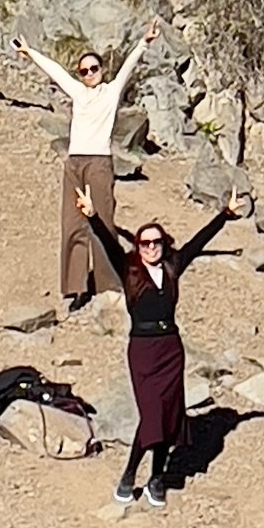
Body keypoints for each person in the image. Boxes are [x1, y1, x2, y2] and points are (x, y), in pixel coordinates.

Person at [78, 190, 227, 507]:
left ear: (164, 243)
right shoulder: (129, 270)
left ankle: (157, 478)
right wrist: (92, 215)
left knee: (171, 418)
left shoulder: (173, 268)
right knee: (151, 417)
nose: (151, 248)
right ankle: (129, 475)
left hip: (171, 349)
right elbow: (107, 242)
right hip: (143, 351)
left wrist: (225, 214)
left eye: (156, 242)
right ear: (138, 247)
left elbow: (198, 243)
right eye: (145, 243)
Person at [15, 23, 157, 307]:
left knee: (102, 222)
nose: (89, 74)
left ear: (102, 70)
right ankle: (76, 287)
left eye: (94, 69)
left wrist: (144, 42)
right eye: (84, 71)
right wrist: (30, 53)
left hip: (99, 164)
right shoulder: (78, 93)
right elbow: (55, 70)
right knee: (72, 223)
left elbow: (129, 65)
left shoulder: (112, 91)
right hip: (75, 164)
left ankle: (108, 284)